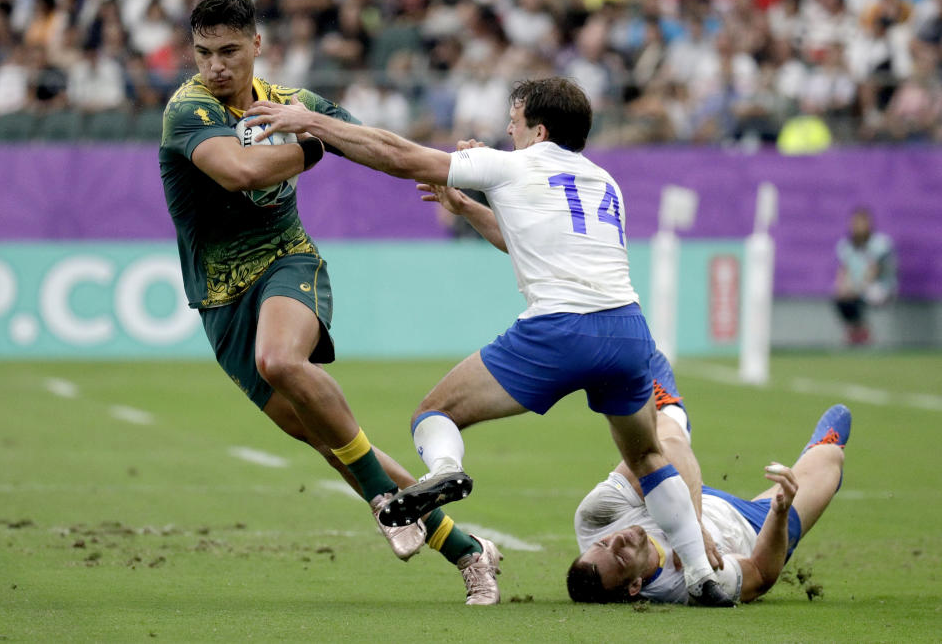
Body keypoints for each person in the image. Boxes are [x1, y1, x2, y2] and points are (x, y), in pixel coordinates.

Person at [245, 76, 734, 605]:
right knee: (647, 456)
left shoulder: (512, 164)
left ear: (538, 128)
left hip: (559, 331)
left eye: (515, 119)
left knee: (435, 415)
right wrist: (466, 207)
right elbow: (524, 239)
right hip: (628, 331)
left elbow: (396, 154)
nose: (507, 128)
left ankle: (445, 471)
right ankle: (701, 576)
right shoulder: (604, 182)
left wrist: (312, 122)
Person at [157, 0, 500, 605]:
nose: (216, 67)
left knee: (280, 360)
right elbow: (239, 171)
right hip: (220, 301)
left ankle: (380, 502)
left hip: (288, 262)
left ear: (257, 45)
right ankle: (470, 552)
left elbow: (376, 147)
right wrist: (314, 143)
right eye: (204, 53)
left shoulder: (296, 103)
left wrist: (454, 172)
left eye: (229, 51)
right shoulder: (190, 111)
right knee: (336, 442)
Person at [567, 403, 851, 605]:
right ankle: (821, 449)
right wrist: (780, 510)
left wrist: (694, 526)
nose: (618, 539)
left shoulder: (594, 520)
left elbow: (672, 448)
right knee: (830, 458)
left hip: (689, 497)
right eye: (621, 557)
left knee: (662, 431)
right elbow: (761, 574)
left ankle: (669, 407)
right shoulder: (687, 588)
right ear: (635, 585)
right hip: (753, 527)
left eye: (604, 544)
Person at [833, 207, 897, 345]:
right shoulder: (846, 246)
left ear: (869, 224)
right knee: (841, 298)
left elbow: (874, 270)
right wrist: (842, 287)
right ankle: (859, 331)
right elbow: (844, 271)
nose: (858, 227)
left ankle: (861, 332)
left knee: (855, 296)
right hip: (858, 287)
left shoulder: (880, 243)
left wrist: (857, 289)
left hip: (880, 287)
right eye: (855, 223)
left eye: (861, 223)